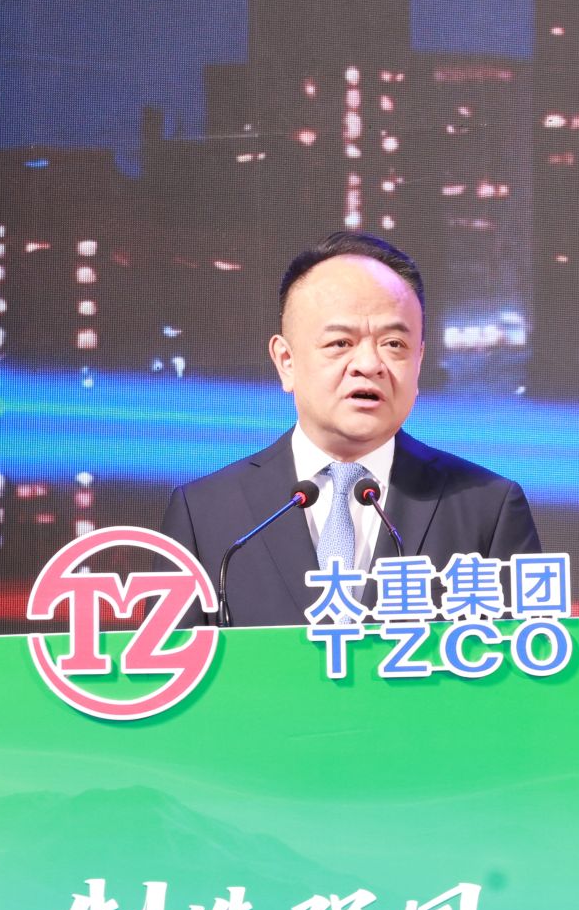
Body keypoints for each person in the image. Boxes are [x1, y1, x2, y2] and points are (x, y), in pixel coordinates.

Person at [160, 231, 541, 627]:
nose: (369, 364)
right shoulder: (205, 515)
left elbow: (533, 656)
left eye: (394, 344)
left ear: (419, 360)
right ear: (286, 361)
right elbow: (171, 661)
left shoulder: (487, 508)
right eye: (341, 343)